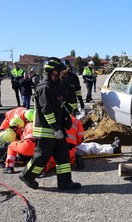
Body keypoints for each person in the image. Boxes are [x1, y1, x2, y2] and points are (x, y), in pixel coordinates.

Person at [19, 57, 81, 190]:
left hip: (57, 130)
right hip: (46, 131)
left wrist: (66, 117)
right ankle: (27, 176)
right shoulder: (44, 87)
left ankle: (65, 183)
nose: (62, 74)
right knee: (41, 158)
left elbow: (60, 104)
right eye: (60, 71)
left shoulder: (55, 85)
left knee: (63, 156)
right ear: (52, 72)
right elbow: (46, 110)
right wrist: (56, 128)